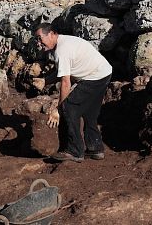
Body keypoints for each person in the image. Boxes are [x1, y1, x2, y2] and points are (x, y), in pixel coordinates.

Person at [34, 23, 112, 162]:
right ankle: (95, 148)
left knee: (68, 108)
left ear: (52, 34)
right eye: (37, 39)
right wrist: (45, 81)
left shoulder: (62, 50)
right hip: (103, 72)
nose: (39, 43)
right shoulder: (62, 42)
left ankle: (73, 151)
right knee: (89, 112)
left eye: (40, 38)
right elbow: (63, 71)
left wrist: (59, 109)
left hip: (94, 76)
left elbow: (65, 82)